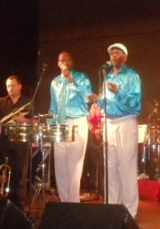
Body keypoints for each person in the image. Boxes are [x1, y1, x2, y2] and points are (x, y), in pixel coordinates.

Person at [90, 43, 141, 217]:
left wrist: (118, 91)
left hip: (125, 122)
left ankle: (130, 212)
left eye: (118, 53)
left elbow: (135, 102)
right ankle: (112, 209)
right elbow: (108, 103)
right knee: (110, 169)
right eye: (112, 53)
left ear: (125, 57)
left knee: (126, 168)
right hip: (109, 124)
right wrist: (97, 100)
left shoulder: (132, 75)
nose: (114, 56)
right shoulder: (108, 77)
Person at [49, 51, 93, 202]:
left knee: (74, 166)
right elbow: (53, 107)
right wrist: (51, 126)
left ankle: (73, 203)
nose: (64, 62)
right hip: (60, 124)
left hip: (77, 121)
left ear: (72, 62)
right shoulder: (55, 82)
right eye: (61, 60)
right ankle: (64, 202)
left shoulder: (81, 77)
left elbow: (88, 97)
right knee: (60, 166)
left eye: (67, 60)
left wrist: (73, 81)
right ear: (58, 63)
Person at [0, 75, 31, 209]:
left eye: (13, 85)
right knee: (5, 173)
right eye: (8, 86)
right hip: (5, 142)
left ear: (20, 86)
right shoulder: (1, 102)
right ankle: (4, 202)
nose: (10, 88)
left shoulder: (27, 102)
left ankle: (19, 205)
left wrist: (23, 120)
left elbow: (36, 121)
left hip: (21, 143)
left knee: (19, 175)